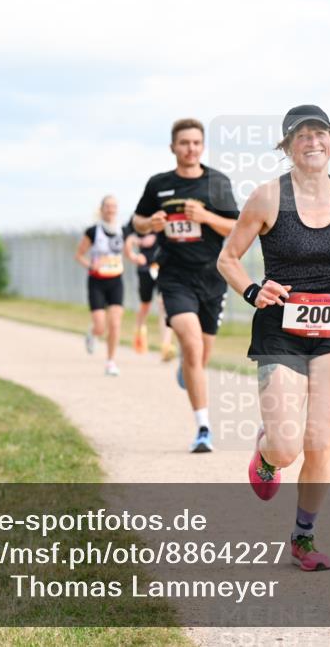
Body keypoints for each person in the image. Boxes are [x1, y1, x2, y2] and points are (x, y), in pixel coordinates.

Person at [217, 105, 330, 571]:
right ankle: (267, 453)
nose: (312, 142)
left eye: (320, 133)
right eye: (302, 135)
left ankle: (303, 538)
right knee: (287, 446)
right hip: (280, 328)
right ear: (287, 146)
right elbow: (228, 258)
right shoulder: (268, 197)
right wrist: (253, 291)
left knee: (321, 439)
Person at [131, 118, 240, 453]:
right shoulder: (159, 184)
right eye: (184, 143)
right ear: (172, 147)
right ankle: (203, 428)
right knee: (191, 346)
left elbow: (236, 228)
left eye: (196, 142)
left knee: (201, 354)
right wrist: (150, 223)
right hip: (174, 276)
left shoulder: (217, 182)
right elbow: (137, 220)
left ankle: (188, 369)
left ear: (202, 146)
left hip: (212, 277)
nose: (190, 148)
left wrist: (206, 217)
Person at [76, 195, 127, 376]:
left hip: (116, 280)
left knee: (115, 323)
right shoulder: (93, 231)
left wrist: (137, 257)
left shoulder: (123, 230)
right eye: (108, 206)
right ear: (102, 209)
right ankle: (93, 333)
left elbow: (128, 251)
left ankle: (110, 362)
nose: (111, 209)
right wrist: (90, 265)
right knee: (100, 326)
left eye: (114, 206)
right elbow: (79, 255)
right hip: (97, 281)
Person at [124, 220, 175, 360]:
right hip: (145, 268)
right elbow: (127, 238)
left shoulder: (166, 213)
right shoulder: (139, 216)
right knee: (145, 305)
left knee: (164, 303)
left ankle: (166, 345)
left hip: (163, 266)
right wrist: (135, 251)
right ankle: (139, 333)